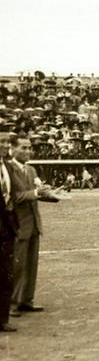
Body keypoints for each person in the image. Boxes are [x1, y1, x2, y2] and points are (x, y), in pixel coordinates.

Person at [8, 134, 60, 314]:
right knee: (17, 265)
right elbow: (15, 197)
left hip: (34, 225)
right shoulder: (8, 170)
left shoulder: (31, 170)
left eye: (29, 148)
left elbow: (35, 194)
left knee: (31, 264)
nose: (27, 151)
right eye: (23, 147)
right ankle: (12, 303)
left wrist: (52, 195)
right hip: (19, 225)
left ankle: (26, 300)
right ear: (12, 149)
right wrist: (37, 192)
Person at [0, 136, 19, 331]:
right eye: (1, 142)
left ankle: (2, 319)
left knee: (5, 274)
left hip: (7, 228)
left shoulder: (7, 166)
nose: (5, 146)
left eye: (7, 143)